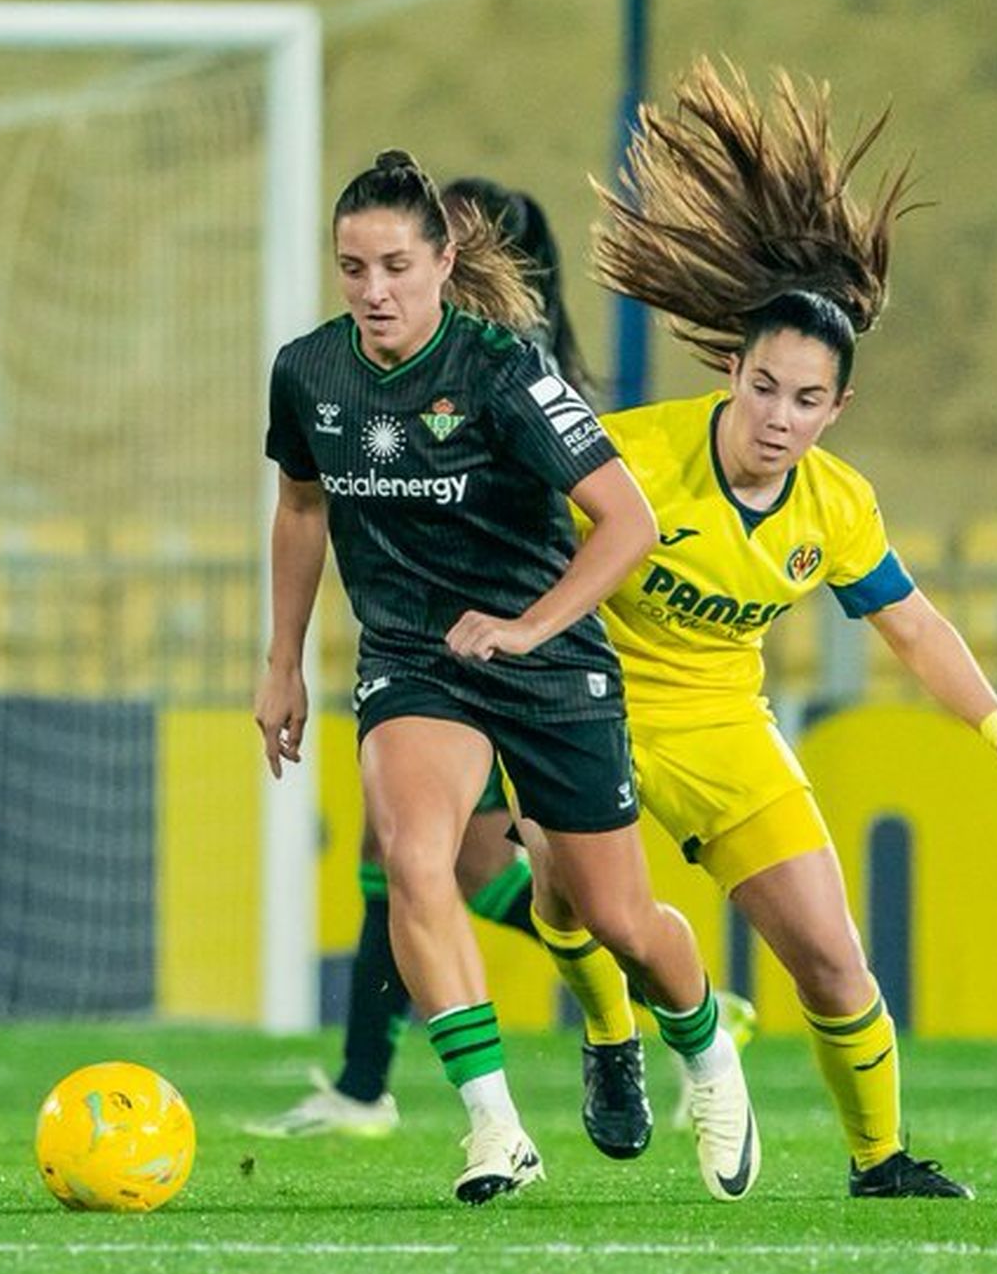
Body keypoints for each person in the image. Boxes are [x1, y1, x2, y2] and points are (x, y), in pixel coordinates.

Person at [532, 59, 997, 1198]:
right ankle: (610, 1040)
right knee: (565, 897)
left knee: (832, 958)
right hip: (588, 707)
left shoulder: (835, 504)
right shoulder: (634, 456)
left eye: (806, 400)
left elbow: (913, 625)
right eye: (762, 389)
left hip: (720, 726)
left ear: (836, 406)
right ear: (729, 370)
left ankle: (879, 1159)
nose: (778, 419)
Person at [254, 150, 759, 1204]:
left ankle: (709, 1054)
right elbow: (302, 508)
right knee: (412, 858)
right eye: (352, 268)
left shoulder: (504, 369)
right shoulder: (309, 372)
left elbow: (630, 522)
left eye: (395, 264)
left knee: (618, 919)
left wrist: (532, 628)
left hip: (548, 659)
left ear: (443, 261)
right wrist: (280, 663)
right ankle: (493, 1127)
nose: (373, 290)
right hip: (415, 662)